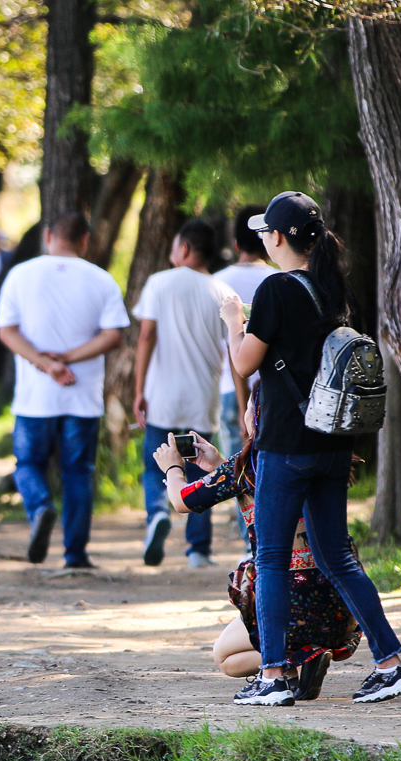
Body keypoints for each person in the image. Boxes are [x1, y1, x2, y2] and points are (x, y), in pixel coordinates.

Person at [215, 191, 401, 706]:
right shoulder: (332, 289)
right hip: (333, 442)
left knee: (272, 559)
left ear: (277, 237)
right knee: (336, 558)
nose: (262, 238)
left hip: (286, 445)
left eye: (266, 231)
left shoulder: (277, 290)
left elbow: (244, 363)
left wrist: (234, 321)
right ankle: (391, 662)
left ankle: (275, 675)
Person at [155, 405, 362, 700]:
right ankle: (301, 661)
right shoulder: (322, 455)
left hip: (290, 601)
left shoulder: (250, 465)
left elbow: (181, 501)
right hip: (340, 607)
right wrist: (219, 465)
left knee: (225, 657)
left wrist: (172, 467)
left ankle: (295, 662)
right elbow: (265, 491)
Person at [0, 211, 130, 568]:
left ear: (48, 235)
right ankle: (75, 554)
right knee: (77, 473)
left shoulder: (20, 275)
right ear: (85, 240)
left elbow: (7, 331)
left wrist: (46, 364)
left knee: (27, 463)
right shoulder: (101, 279)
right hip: (83, 397)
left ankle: (40, 507)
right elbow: (113, 335)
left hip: (35, 398)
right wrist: (67, 359)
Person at [133, 218, 235, 568]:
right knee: (200, 473)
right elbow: (235, 351)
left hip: (161, 394)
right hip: (202, 397)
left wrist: (138, 390)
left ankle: (157, 512)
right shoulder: (222, 291)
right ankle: (198, 550)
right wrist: (241, 392)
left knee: (153, 464)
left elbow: (146, 337)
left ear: (185, 249)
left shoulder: (158, 283)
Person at [212, 209, 277, 460]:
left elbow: (225, 343)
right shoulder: (280, 278)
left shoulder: (216, 282)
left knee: (235, 475)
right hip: (274, 389)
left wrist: (242, 408)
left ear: (236, 243)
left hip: (229, 386)